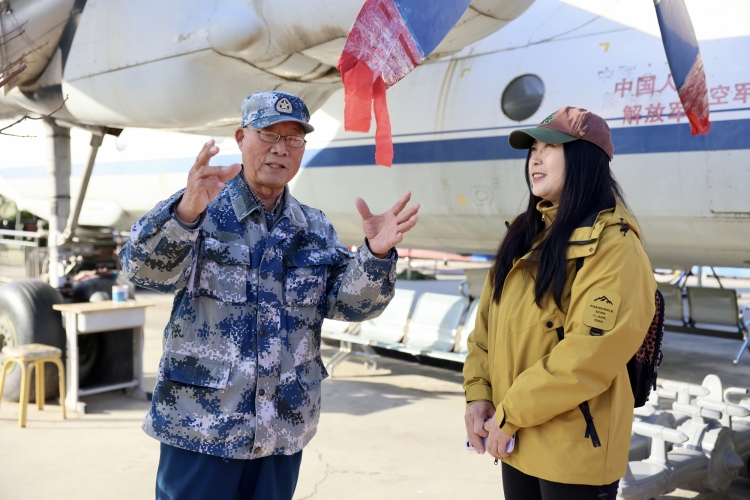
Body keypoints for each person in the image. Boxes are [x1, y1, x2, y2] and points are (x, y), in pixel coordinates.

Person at [119, 91, 419, 500]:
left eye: (294, 139)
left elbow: (350, 305)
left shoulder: (313, 227)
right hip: (202, 428)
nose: (281, 149)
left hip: (281, 430)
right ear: (241, 137)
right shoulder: (200, 208)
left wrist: (375, 256)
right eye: (268, 134)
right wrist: (185, 216)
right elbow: (143, 271)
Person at [462, 106, 656, 500]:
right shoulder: (524, 236)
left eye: (549, 147)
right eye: (532, 149)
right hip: (517, 440)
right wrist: (479, 394)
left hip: (575, 450)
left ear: (584, 158)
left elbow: (589, 354)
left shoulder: (614, 245)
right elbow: (486, 330)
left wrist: (511, 412)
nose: (535, 158)